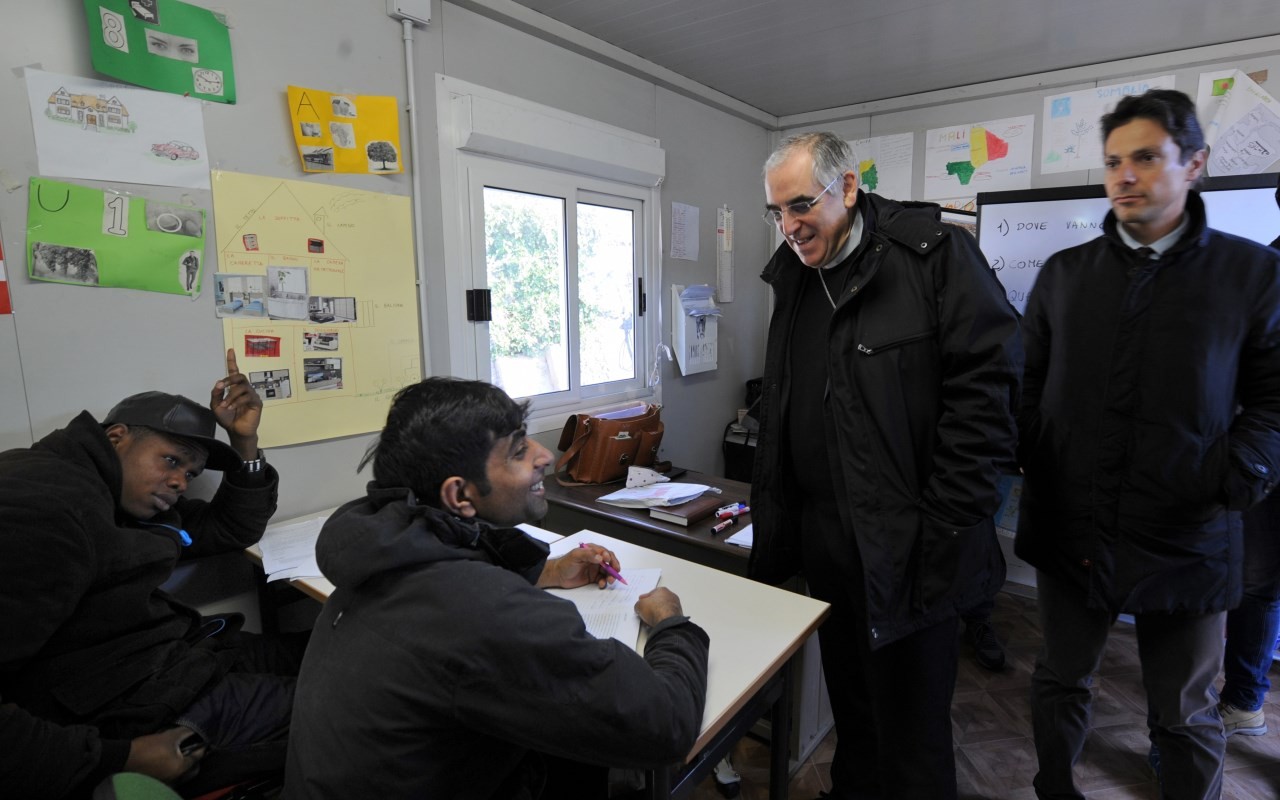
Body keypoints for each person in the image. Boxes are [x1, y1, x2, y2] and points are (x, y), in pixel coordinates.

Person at [1015, 88, 1280, 800]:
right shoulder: (1065, 275)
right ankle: (1054, 790)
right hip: (1073, 526)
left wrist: (1238, 471)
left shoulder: (1252, 274)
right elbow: (1024, 386)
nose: (1125, 175)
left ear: (1194, 163)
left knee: (1186, 711)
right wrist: (1035, 456)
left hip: (1188, 532)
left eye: (1145, 158)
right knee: (1060, 681)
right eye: (1112, 162)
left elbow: (1275, 398)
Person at [749, 132, 1022, 799]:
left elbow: (988, 399)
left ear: (847, 187)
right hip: (828, 543)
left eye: (800, 204)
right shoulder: (795, 276)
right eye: (776, 212)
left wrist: (947, 524)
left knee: (912, 732)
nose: (788, 226)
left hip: (913, 549)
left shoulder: (934, 257)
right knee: (855, 711)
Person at [283, 377, 710, 800]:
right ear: (460, 495)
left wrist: (548, 571)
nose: (545, 455)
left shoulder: (378, 553)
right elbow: (667, 725)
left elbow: (451, 567)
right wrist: (671, 624)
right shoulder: (487, 612)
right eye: (518, 451)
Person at [0, 350, 293, 799]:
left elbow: (228, 529)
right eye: (172, 461)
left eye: (190, 473)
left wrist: (245, 446)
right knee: (350, 702)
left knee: (318, 651)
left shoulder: (119, 496)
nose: (181, 482)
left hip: (175, 660)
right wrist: (119, 757)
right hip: (133, 706)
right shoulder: (44, 506)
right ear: (116, 437)